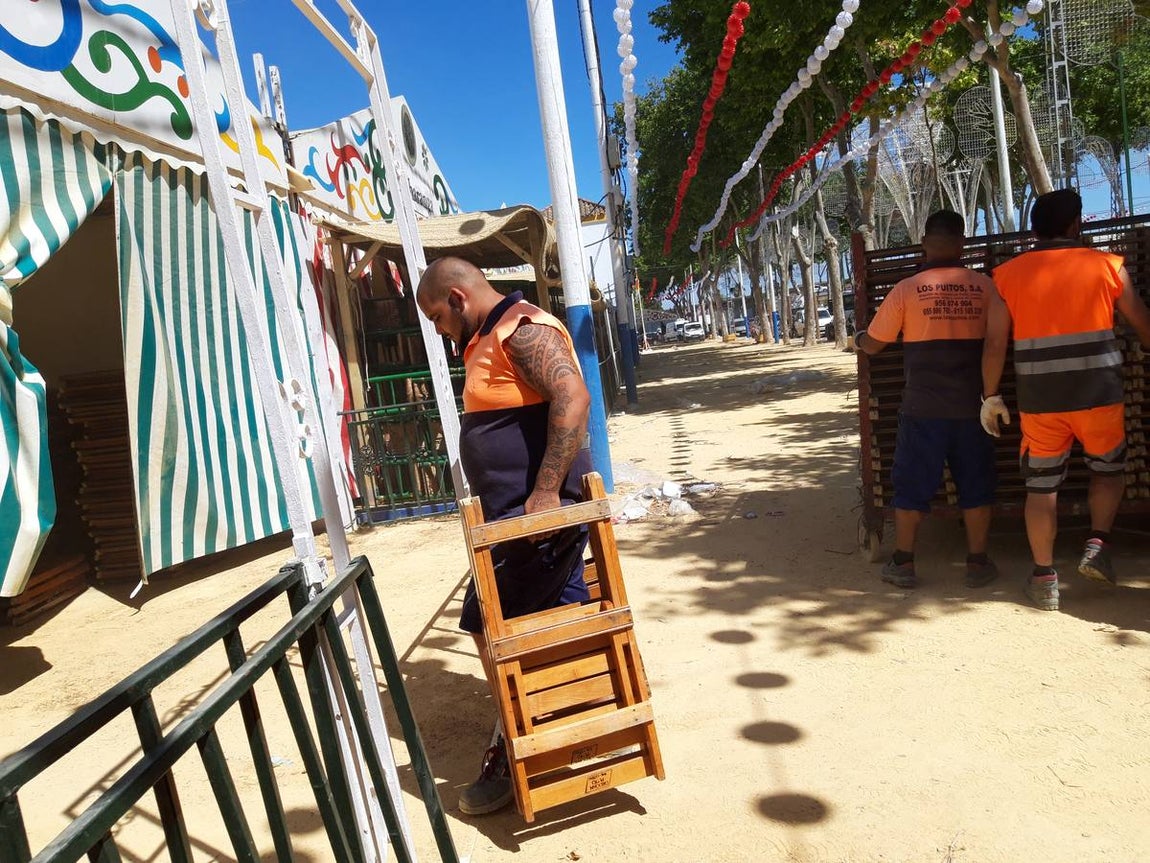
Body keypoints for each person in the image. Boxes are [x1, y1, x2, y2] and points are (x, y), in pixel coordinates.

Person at [416, 256, 593, 815]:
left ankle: (518, 746)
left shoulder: (523, 329)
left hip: (534, 524)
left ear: (458, 298)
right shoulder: (490, 337)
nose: (439, 330)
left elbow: (573, 397)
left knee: (491, 627)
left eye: (438, 317)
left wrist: (545, 494)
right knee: (521, 622)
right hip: (513, 524)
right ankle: (544, 726)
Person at [982, 189, 1150, 611]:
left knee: (1041, 489)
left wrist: (991, 396)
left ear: (1035, 229)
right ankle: (1097, 544)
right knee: (1108, 471)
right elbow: (1142, 323)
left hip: (1041, 400)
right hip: (1100, 394)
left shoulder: (1008, 276)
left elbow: (995, 343)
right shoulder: (1108, 266)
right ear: (1076, 224)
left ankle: (1044, 579)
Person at [855, 210, 998, 590]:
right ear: (962, 243)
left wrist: (858, 340)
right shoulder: (985, 287)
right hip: (974, 408)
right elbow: (998, 341)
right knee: (976, 485)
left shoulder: (907, 289)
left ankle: (903, 563)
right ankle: (978, 563)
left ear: (924, 244)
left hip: (923, 409)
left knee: (911, 487)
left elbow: (875, 343)